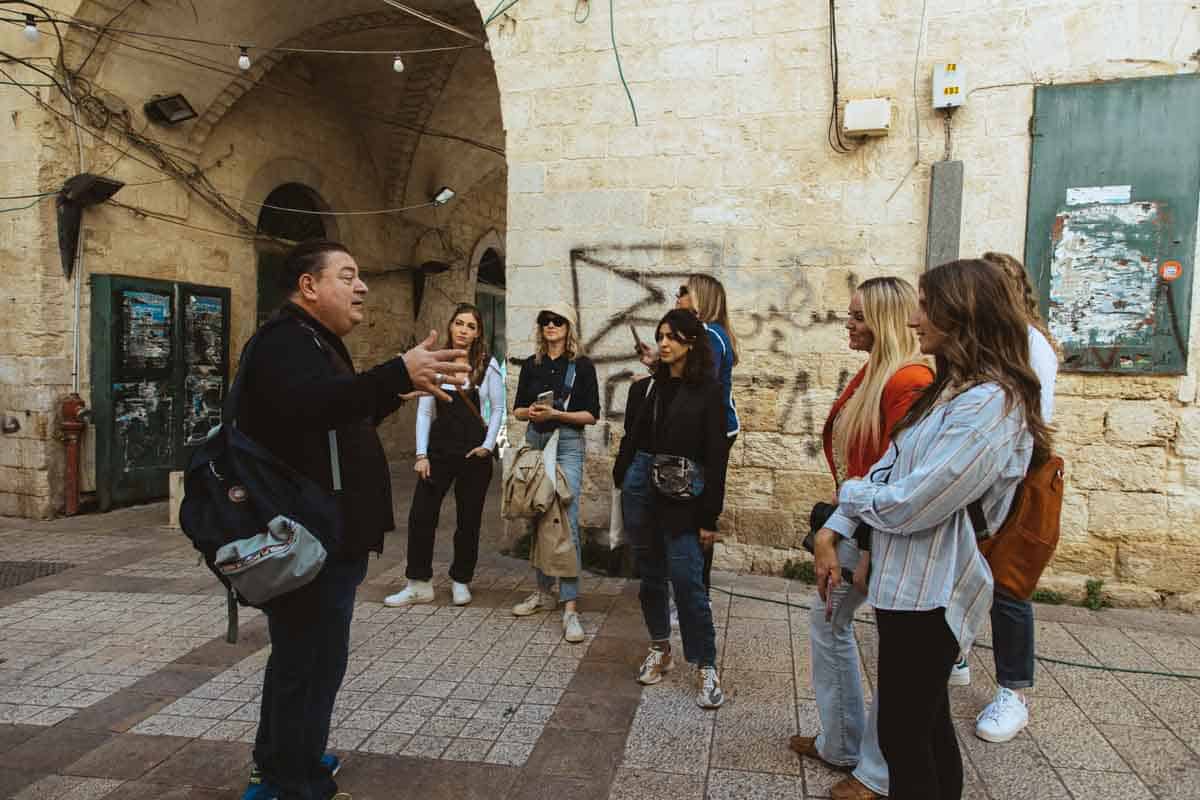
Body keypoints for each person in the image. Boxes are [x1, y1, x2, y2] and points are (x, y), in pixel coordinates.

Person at [813, 258, 1052, 800]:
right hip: (906, 586)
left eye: (926, 305)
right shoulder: (951, 391)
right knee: (925, 726)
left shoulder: (992, 403)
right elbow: (889, 468)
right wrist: (848, 513)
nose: (915, 318)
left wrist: (848, 499)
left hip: (935, 592)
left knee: (904, 735)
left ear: (961, 314)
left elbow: (912, 502)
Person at [239, 240, 469, 800]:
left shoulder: (314, 342)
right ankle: (295, 783)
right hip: (308, 535)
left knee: (306, 658)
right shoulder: (285, 342)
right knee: (310, 662)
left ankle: (282, 761)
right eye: (348, 275)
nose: (362, 286)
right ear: (309, 286)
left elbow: (339, 412)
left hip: (327, 534)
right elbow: (313, 406)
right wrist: (394, 372)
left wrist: (398, 387)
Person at [788, 277, 933, 800]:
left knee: (879, 644)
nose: (847, 324)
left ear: (885, 320)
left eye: (857, 317)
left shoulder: (907, 380)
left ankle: (872, 769)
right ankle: (844, 744)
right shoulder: (878, 373)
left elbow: (900, 474)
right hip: (859, 525)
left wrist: (862, 543)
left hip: (881, 533)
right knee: (830, 620)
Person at [950, 251, 1058, 743]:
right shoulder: (981, 342)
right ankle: (955, 654)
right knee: (959, 568)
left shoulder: (1029, 343)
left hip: (1019, 476)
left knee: (1009, 584)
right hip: (983, 474)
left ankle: (1013, 692)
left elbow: (1025, 424)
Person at [615, 309, 730, 709]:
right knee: (649, 576)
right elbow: (634, 435)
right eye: (661, 335)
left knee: (687, 580)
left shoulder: (709, 391)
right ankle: (660, 646)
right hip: (640, 487)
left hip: (683, 496)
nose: (664, 343)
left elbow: (717, 458)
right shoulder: (648, 388)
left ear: (691, 342)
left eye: (674, 337)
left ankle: (705, 665)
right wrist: (622, 473)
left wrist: (709, 517)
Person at [383, 303, 504, 609]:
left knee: (469, 519)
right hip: (438, 451)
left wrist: (488, 446)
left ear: (478, 333)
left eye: (471, 326)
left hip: (474, 453)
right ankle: (419, 583)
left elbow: (499, 408)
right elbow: (425, 410)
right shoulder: (436, 362)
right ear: (451, 326)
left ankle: (461, 580)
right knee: (421, 515)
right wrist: (421, 454)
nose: (464, 331)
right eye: (459, 324)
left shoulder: (487, 366)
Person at [638, 274, 739, 592]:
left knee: (696, 507)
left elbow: (698, 387)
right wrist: (658, 366)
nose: (677, 296)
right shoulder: (715, 334)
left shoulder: (710, 334)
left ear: (700, 298)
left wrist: (659, 368)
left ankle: (697, 587)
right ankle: (690, 582)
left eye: (683, 291)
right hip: (712, 427)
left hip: (710, 430)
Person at [510, 302, 600, 642]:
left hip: (567, 444)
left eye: (557, 321)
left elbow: (591, 415)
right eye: (545, 320)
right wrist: (530, 413)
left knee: (566, 517)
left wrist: (558, 415)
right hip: (536, 439)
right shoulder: (532, 365)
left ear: (569, 327)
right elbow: (517, 409)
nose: (550, 325)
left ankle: (571, 606)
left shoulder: (582, 367)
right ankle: (543, 591)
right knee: (538, 514)